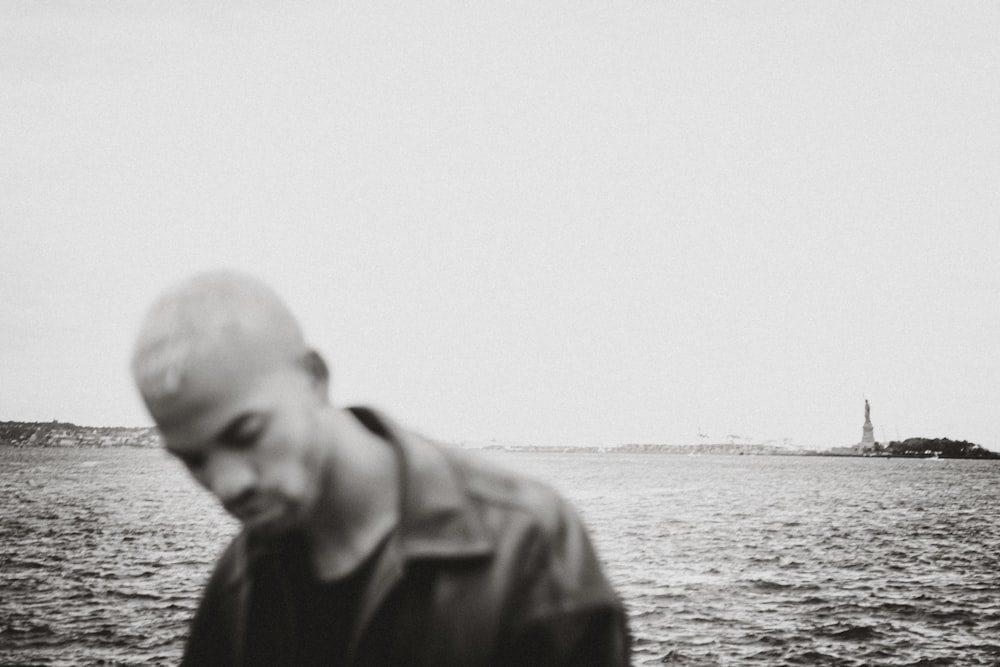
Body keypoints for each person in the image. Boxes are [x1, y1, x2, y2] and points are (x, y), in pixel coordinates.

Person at [130, 270, 630, 666]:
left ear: (314, 378)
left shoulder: (526, 544)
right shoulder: (238, 584)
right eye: (193, 460)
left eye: (246, 434)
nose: (227, 484)